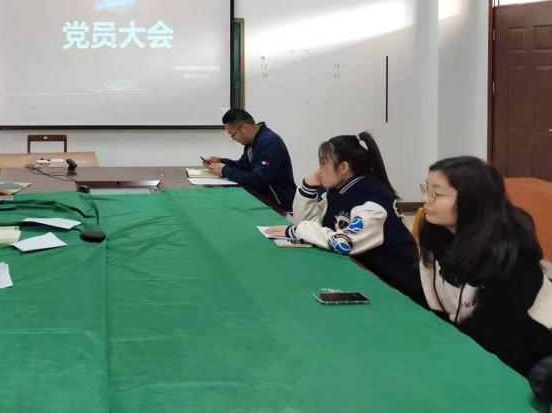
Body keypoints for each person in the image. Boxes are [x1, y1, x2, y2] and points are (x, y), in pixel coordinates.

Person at [415, 156, 552, 376]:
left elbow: (499, 326)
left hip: (531, 346)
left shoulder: (511, 247)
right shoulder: (435, 232)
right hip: (476, 338)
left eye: (437, 194)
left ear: (472, 200)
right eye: (426, 189)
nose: (425, 199)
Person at [263, 132, 418, 295]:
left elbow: (342, 243)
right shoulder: (339, 190)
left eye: (323, 164)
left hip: (395, 288)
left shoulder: (371, 200)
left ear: (344, 168)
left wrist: (295, 231)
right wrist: (308, 187)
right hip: (364, 273)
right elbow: (312, 225)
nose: (319, 171)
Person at [203, 108, 296, 212]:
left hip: (279, 206)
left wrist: (224, 170)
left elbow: (258, 179)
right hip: (260, 200)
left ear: (244, 128)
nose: (233, 139)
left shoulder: (270, 142)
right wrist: (221, 161)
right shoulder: (252, 142)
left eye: (232, 134)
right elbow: (243, 167)